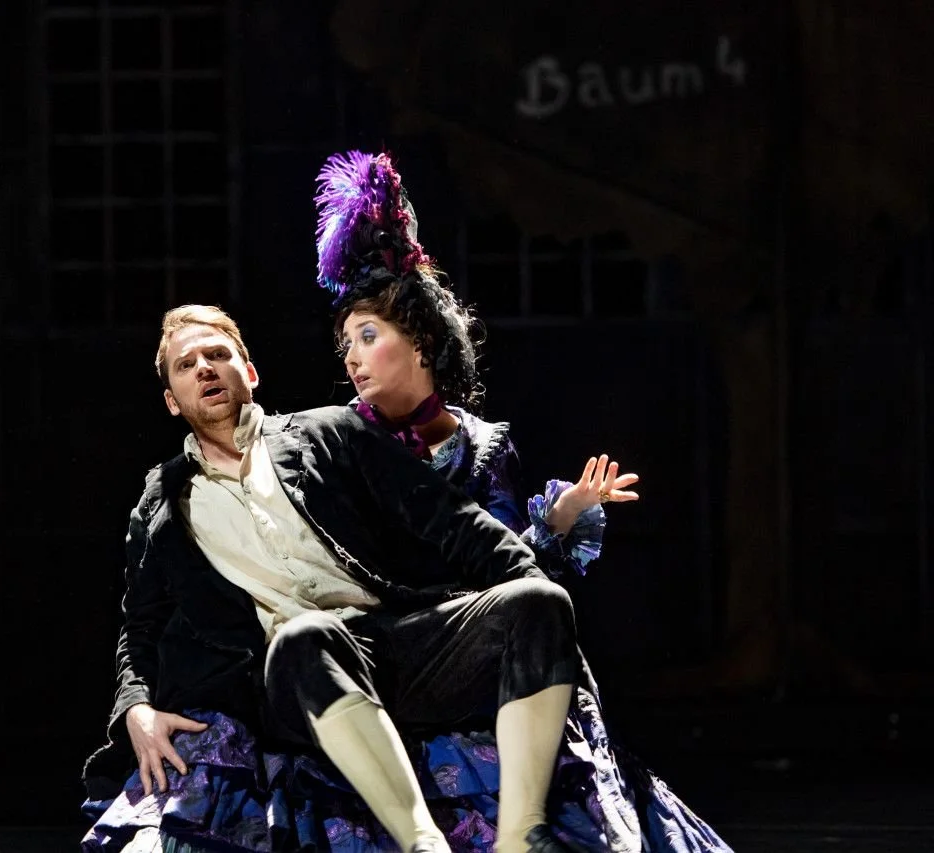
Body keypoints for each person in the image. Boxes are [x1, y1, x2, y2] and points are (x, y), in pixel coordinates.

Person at [313, 150, 731, 852]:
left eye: (366, 336)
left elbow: (511, 569)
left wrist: (562, 517)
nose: (351, 358)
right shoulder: (343, 443)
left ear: (419, 343)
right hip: (389, 648)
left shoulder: (481, 448)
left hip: (473, 643)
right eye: (344, 343)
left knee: (545, 630)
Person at [83, 303, 589, 853]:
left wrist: (532, 586)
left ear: (248, 372)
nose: (204, 368)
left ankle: (520, 838)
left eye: (218, 355)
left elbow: (450, 520)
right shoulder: (161, 500)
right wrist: (135, 708)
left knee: (538, 600)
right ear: (171, 401)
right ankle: (423, 844)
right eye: (186, 365)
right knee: (306, 636)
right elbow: (141, 625)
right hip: (286, 680)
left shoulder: (330, 432)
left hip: (391, 642)